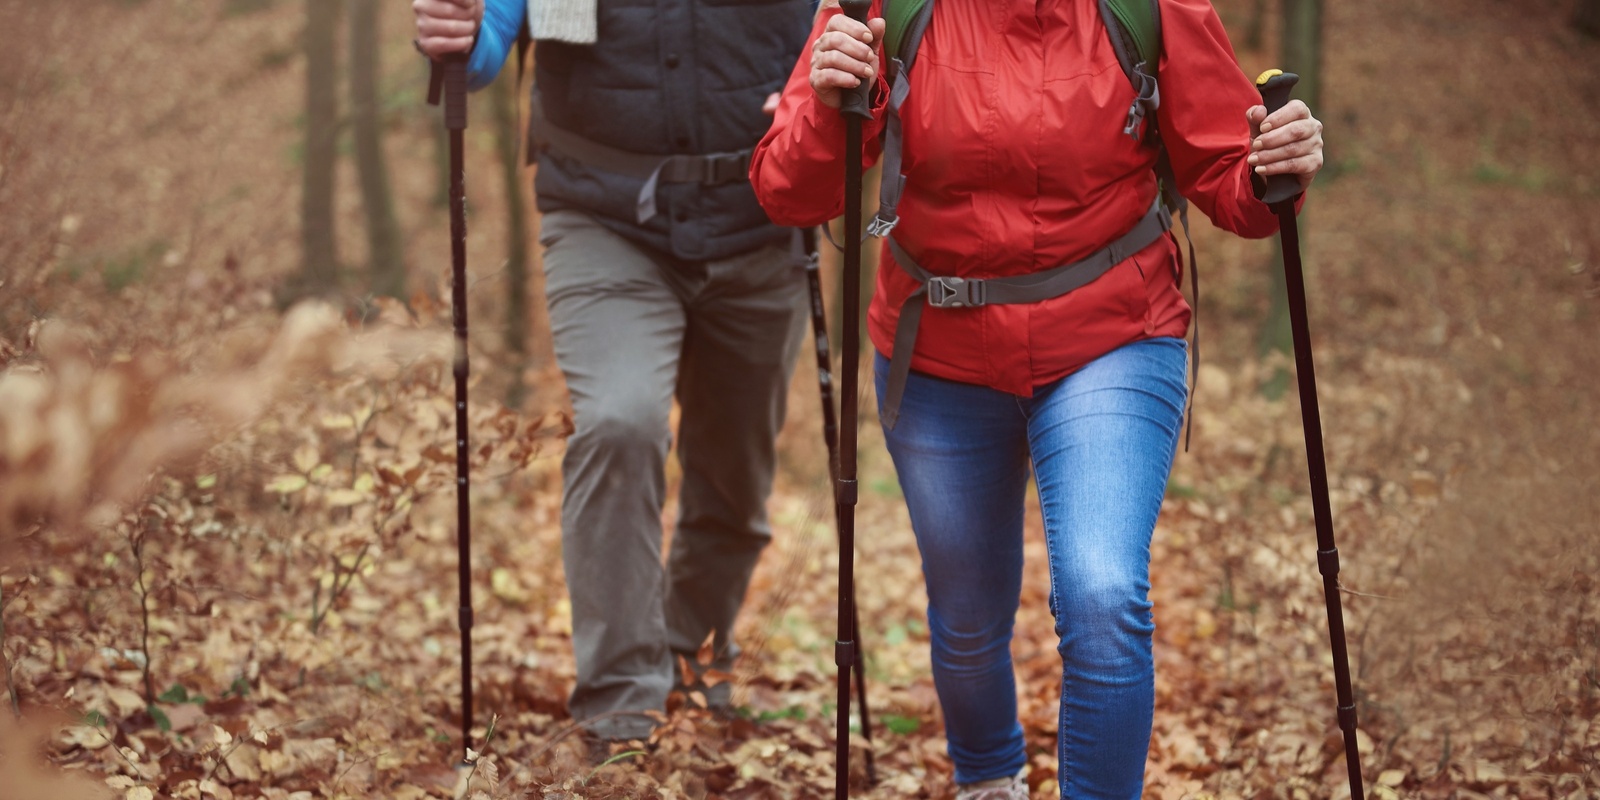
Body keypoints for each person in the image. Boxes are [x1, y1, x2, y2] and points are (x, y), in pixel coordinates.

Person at [751, 1, 1324, 797]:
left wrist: (1271, 167)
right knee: (966, 609)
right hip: (938, 352)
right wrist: (830, 97)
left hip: (1112, 333)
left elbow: (1229, 175)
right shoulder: (877, 9)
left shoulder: (1150, 8)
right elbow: (789, 192)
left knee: (1100, 592)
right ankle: (988, 778)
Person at [413, 0, 814, 744]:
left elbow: (868, 28)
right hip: (604, 218)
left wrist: (838, 97)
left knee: (735, 483)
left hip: (762, 221)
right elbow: (492, 29)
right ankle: (621, 704)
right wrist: (462, 40)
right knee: (621, 422)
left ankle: (685, 654)